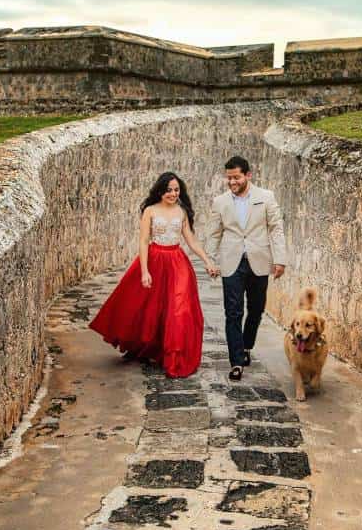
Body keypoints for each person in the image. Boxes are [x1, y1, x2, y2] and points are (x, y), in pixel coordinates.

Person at [89, 172, 221, 378]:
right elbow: (143, 241)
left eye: (176, 190)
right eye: (169, 190)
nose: (173, 193)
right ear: (160, 190)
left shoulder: (182, 211)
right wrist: (144, 271)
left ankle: (174, 357)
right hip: (154, 260)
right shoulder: (150, 211)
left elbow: (191, 240)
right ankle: (147, 347)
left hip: (177, 263)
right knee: (149, 308)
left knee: (178, 309)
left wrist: (207, 261)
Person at [205, 156, 288, 381]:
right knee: (233, 311)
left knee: (256, 308)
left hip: (259, 261)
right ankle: (236, 361)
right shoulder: (220, 202)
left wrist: (280, 259)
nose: (232, 182)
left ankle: (247, 345)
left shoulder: (266, 197)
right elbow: (214, 233)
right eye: (229, 178)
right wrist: (210, 260)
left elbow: (276, 229)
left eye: (236, 177)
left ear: (248, 175)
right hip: (231, 262)